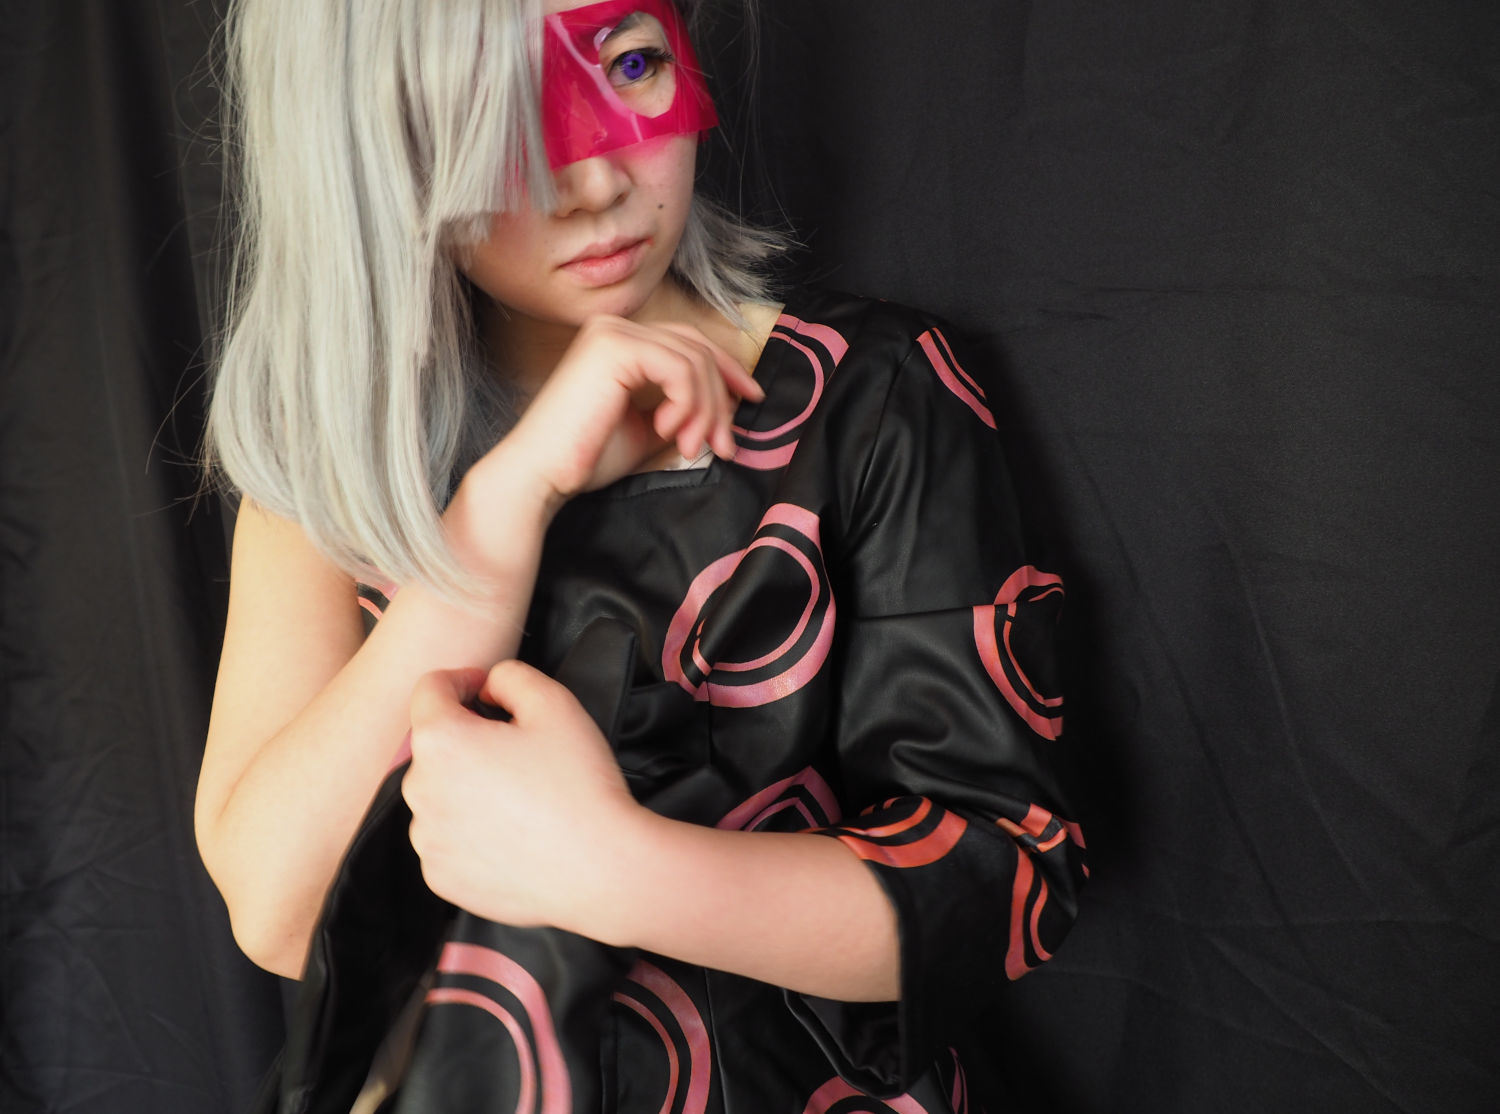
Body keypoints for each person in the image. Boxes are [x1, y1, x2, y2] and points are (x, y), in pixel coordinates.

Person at [194, 0, 1088, 1110]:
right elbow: (278, 915)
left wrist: (611, 867)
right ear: (364, 152)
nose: (593, 181)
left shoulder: (872, 396)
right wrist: (503, 507)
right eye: (489, 116)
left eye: (628, 64)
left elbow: (1006, 882)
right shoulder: (330, 465)